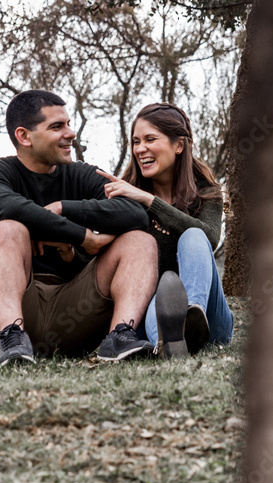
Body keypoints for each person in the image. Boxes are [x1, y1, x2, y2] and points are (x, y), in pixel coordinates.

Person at [0, 90, 158, 365]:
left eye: (69, 124)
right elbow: (10, 209)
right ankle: (12, 338)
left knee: (140, 240)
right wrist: (83, 236)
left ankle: (119, 337)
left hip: (70, 310)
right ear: (24, 136)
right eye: (57, 126)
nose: (70, 133)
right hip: (4, 309)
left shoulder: (82, 175)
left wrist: (64, 208)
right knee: (8, 229)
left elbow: (135, 214)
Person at [97, 102, 234, 358]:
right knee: (160, 301)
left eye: (150, 139)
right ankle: (172, 338)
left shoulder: (207, 193)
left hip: (213, 322)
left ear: (179, 145)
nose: (140, 149)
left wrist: (150, 201)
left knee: (194, 235)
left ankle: (192, 317)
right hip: (155, 307)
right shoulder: (126, 199)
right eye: (136, 142)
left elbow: (210, 238)